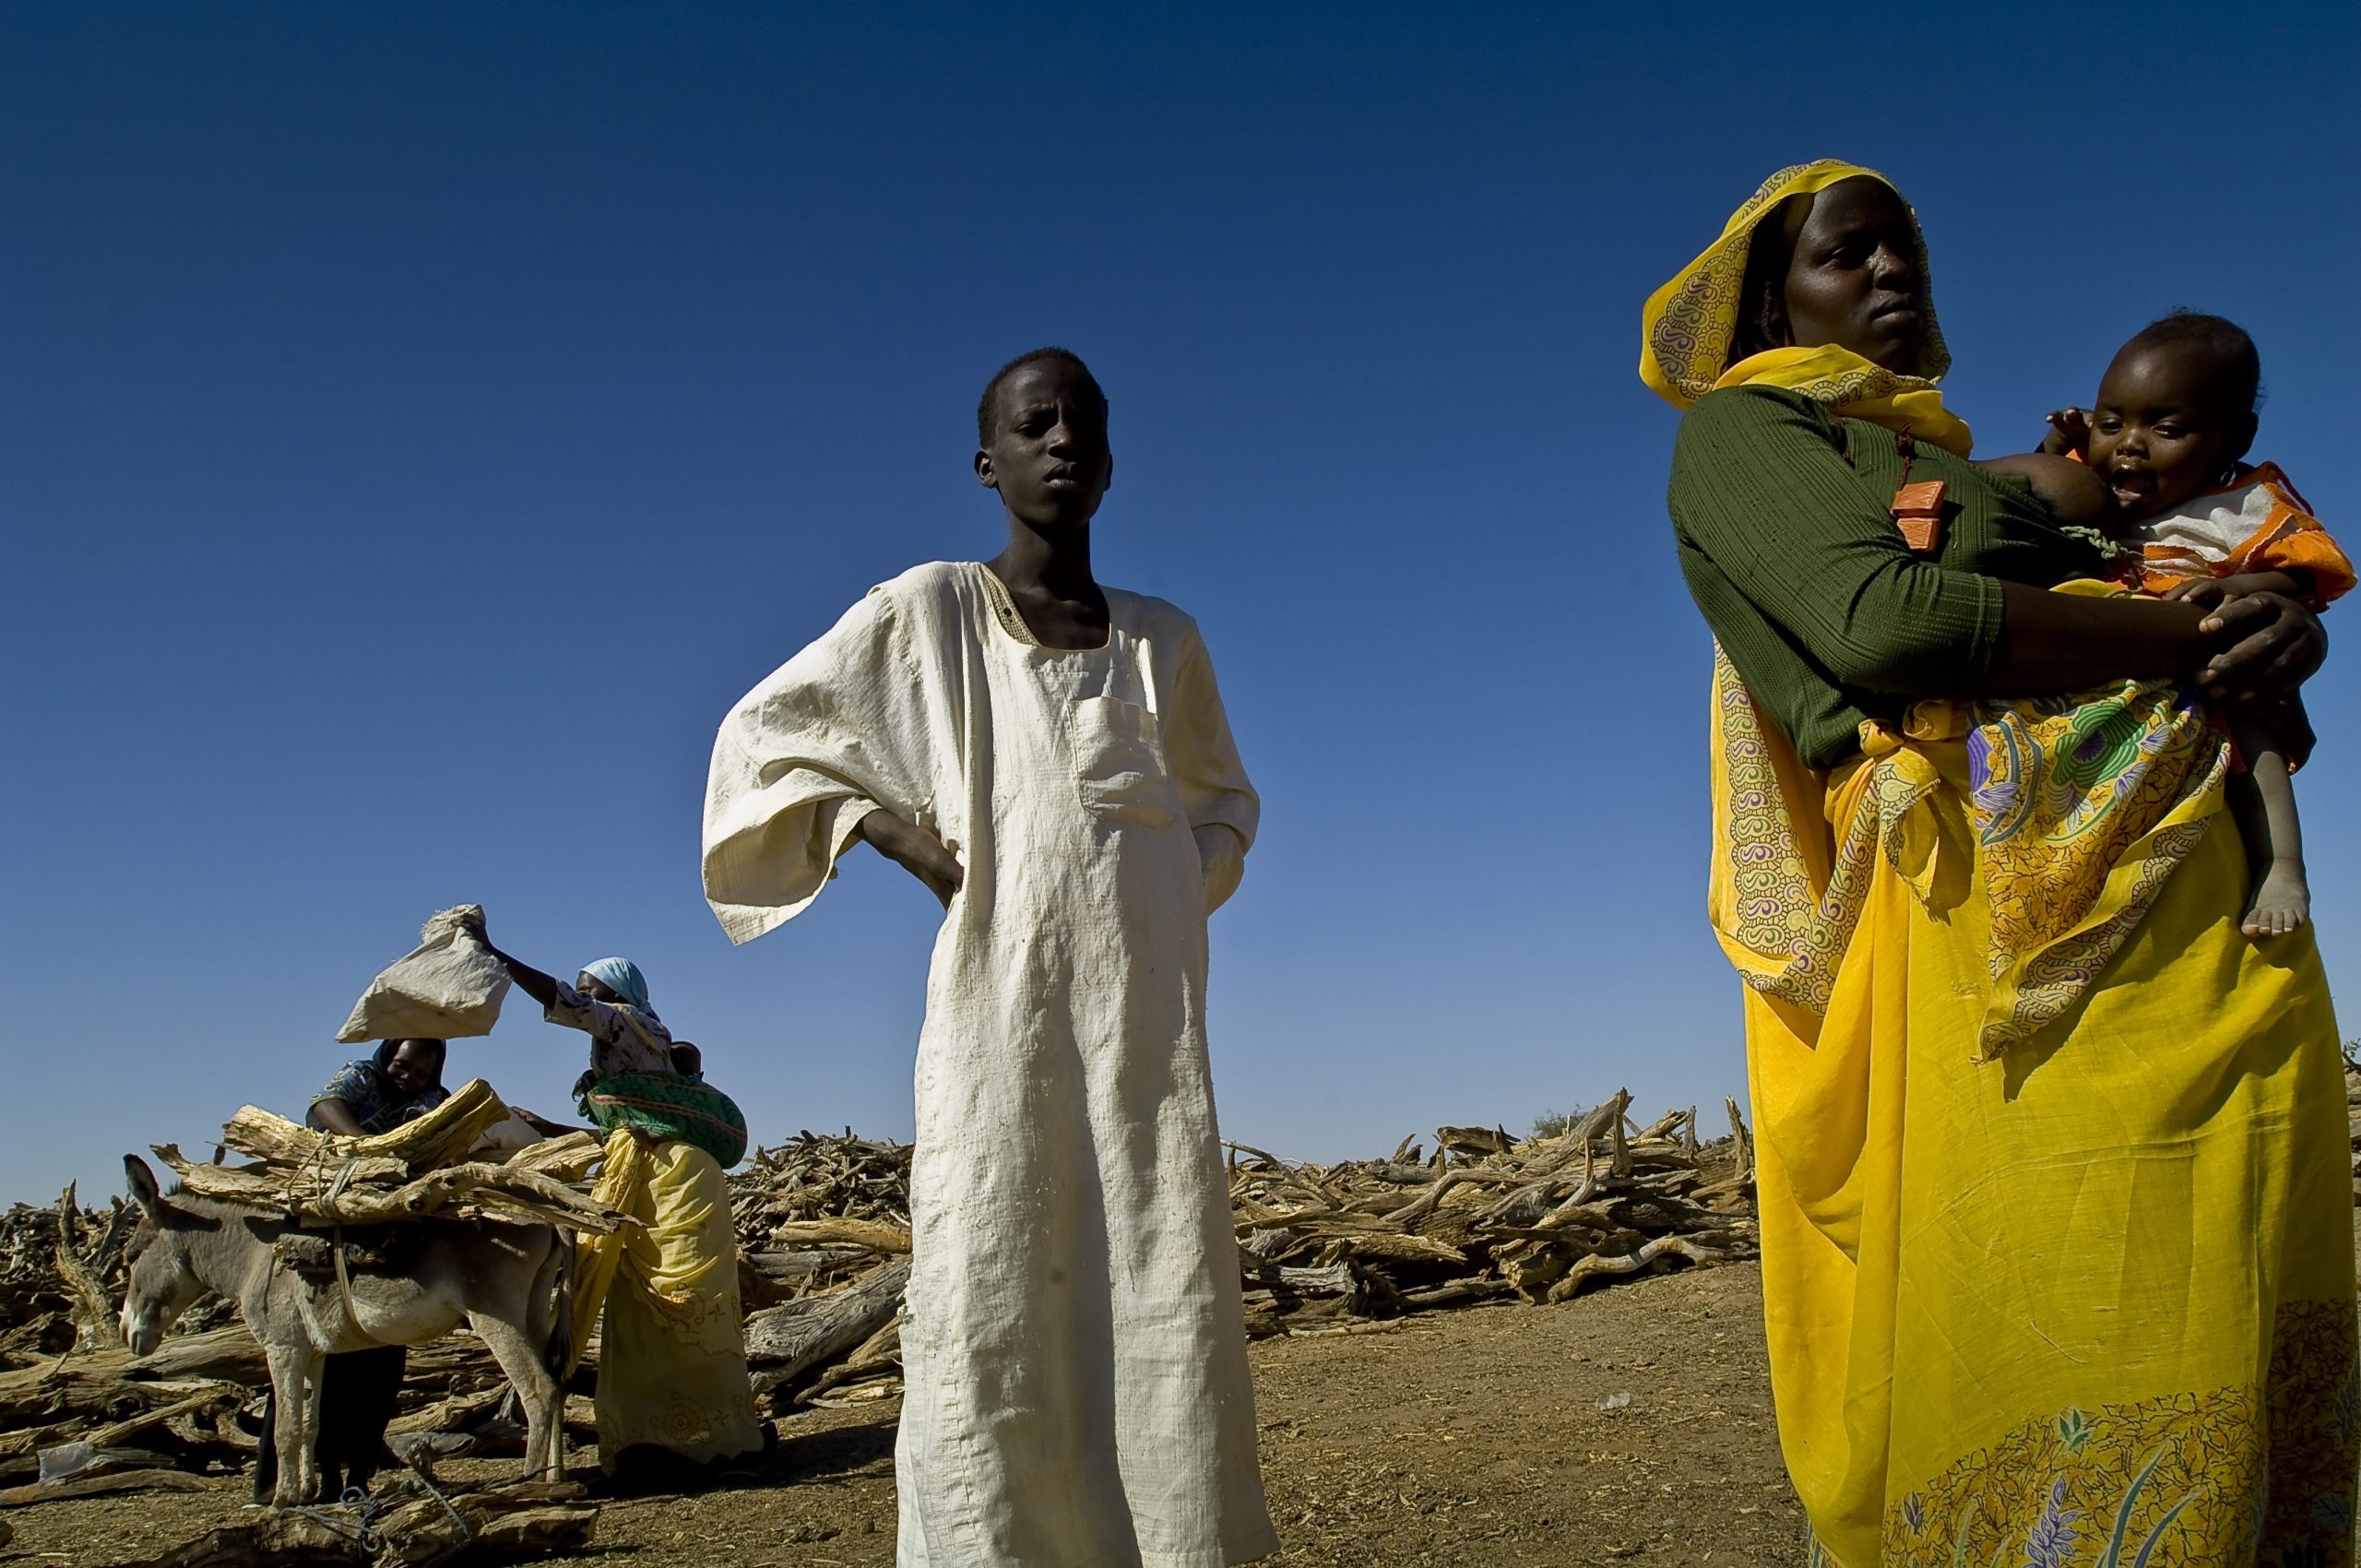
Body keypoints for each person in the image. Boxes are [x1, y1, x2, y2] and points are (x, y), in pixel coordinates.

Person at [1642, 160, 2352, 1566]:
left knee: (2235, 1239)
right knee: (2071, 1268)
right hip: (2002, 927)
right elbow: (1881, 623)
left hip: (2199, 900)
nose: (1893, 273)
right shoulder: (1750, 432)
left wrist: (2287, 624)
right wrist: (2191, 636)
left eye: (1905, 250)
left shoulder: (1950, 462)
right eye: (1850, 257)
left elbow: (2172, 573)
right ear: (1772, 300)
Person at [701, 347, 1275, 1566]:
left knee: (1160, 1291)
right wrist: (881, 825)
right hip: (996, 1035)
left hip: (1149, 1053)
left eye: (1084, 425)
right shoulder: (932, 613)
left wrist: (1164, 893)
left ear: (1112, 461)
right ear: (988, 460)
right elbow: (764, 738)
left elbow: (1222, 805)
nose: (1063, 440)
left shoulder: (1164, 642)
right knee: (992, 1294)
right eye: (1035, 423)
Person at [1987, 313, 2353, 938]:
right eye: (2110, 423)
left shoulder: (2241, 505)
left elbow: (2306, 574)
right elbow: (2038, 496)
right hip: (2114, 669)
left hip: (2209, 660)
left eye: (2167, 428)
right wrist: (2055, 448)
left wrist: (2234, 589)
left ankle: (2280, 864)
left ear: (2232, 439)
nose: (2129, 443)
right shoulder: (2091, 488)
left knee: (2256, 740)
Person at [466, 916, 764, 1492]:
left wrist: (495, 954)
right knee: (642, 1308)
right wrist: (549, 1128)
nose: (585, 994)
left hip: (668, 1179)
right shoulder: (640, 1048)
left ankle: (689, 1439)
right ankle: (659, 1437)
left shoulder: (624, 1022)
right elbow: (622, 1129)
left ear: (616, 995)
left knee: (674, 1303)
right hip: (663, 1171)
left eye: (593, 987)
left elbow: (559, 999)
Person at [255, 1038, 452, 1501]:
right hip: (331, 1217)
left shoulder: (432, 1101)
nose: (408, 1077)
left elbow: (438, 1131)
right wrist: (368, 1149)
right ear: (389, 1056)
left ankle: (358, 1474)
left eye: (419, 1072)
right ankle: (294, 1478)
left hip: (389, 1233)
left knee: (378, 1369)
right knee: (307, 1360)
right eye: (402, 1066)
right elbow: (324, 1104)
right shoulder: (362, 1076)